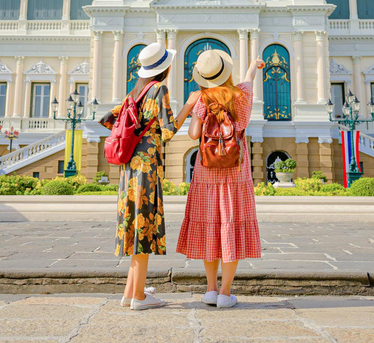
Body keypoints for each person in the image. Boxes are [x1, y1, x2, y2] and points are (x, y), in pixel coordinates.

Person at [100, 42, 199, 310]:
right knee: (143, 226)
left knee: (133, 224)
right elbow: (168, 131)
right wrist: (189, 105)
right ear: (165, 69)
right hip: (147, 167)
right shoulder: (158, 89)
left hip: (129, 167)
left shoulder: (134, 92)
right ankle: (140, 298)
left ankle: (131, 291)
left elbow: (108, 120)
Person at [176, 49, 264, 308]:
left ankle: (211, 290)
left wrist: (194, 111)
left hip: (206, 172)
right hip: (236, 171)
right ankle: (226, 293)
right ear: (226, 72)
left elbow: (193, 135)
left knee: (209, 226)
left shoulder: (202, 99)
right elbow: (249, 79)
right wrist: (253, 65)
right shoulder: (242, 95)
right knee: (230, 227)